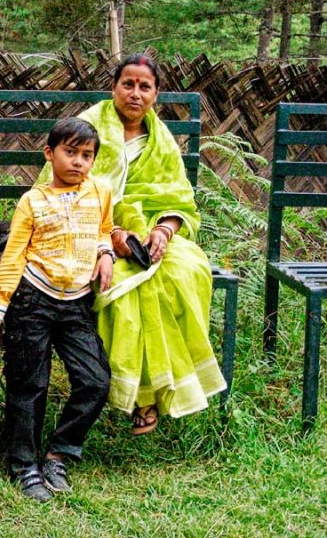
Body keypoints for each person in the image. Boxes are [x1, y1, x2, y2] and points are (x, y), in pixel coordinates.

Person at [35, 53, 227, 436]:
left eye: (145, 86)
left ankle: (153, 391)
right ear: (114, 88)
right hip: (84, 233)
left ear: (156, 94)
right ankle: (140, 395)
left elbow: (179, 201)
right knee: (124, 288)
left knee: (179, 272)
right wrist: (113, 235)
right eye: (128, 84)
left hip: (151, 236)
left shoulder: (161, 141)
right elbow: (54, 191)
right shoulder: (89, 125)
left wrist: (164, 231)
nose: (135, 93)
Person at [0, 118, 114, 502]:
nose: (78, 162)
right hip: (33, 299)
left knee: (95, 380)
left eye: (86, 155)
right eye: (70, 152)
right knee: (29, 384)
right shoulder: (33, 201)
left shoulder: (100, 192)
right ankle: (23, 464)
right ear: (50, 153)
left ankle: (59, 453)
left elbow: (105, 228)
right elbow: (13, 256)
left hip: (76, 301)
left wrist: (105, 252)